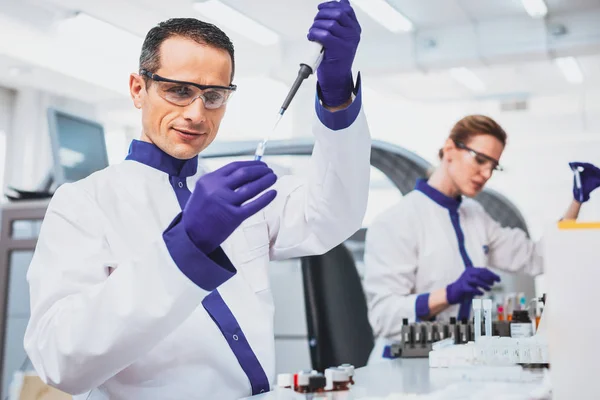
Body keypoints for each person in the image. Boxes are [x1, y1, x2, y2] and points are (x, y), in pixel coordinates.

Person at [24, 2, 370, 398]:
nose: (196, 113)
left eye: (214, 96)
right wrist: (184, 248)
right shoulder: (84, 203)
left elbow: (333, 214)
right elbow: (58, 358)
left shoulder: (238, 194)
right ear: (139, 89)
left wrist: (337, 95)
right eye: (178, 91)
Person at [363, 114, 600, 362]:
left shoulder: (475, 216)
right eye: (480, 160)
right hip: (402, 365)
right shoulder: (397, 221)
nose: (486, 173)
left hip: (451, 361)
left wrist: (577, 201)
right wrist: (449, 293)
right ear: (450, 149)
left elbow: (536, 258)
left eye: (493, 166)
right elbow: (383, 318)